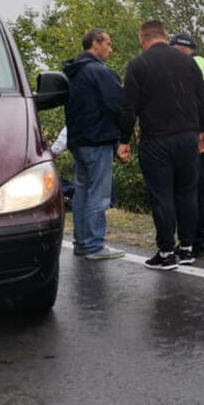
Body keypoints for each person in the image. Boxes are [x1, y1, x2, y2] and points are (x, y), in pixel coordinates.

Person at [117, 20, 204, 271]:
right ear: (165, 36)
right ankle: (187, 248)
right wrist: (203, 130)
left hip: (157, 139)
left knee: (162, 195)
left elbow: (128, 108)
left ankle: (167, 252)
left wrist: (124, 140)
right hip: (188, 137)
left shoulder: (138, 64)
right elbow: (202, 98)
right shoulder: (188, 62)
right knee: (187, 192)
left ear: (142, 38)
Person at [63, 28, 125, 260]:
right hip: (98, 139)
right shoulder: (99, 72)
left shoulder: (74, 71)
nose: (110, 48)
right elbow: (117, 105)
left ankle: (81, 242)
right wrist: (122, 135)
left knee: (82, 192)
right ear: (95, 44)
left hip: (78, 140)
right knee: (98, 195)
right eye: (108, 43)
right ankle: (95, 245)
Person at [170, 32, 204, 258]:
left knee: (187, 190)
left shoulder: (184, 67)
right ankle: (203, 240)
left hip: (195, 134)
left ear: (180, 48)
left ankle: (188, 242)